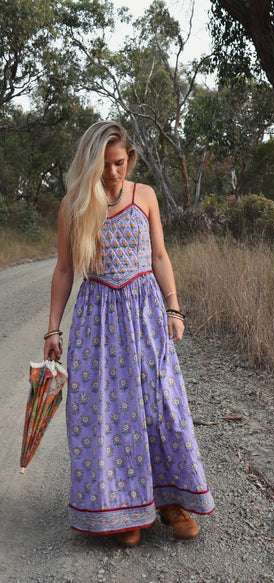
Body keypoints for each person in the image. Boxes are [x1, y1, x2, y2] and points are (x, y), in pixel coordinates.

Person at [44, 121, 214, 545]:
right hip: (97, 321)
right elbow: (64, 270)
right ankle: (125, 511)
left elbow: (159, 254)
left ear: (129, 159)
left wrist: (173, 307)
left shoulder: (146, 196)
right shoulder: (74, 206)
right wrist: (53, 329)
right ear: (89, 164)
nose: (113, 173)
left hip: (145, 315)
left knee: (160, 407)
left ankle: (171, 503)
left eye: (119, 163)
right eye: (104, 165)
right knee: (110, 413)